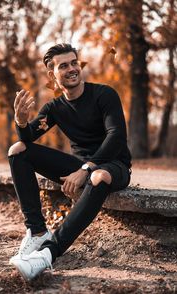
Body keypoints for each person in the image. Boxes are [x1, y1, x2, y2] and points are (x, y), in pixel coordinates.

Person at [8, 43, 132, 281]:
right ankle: (37, 231)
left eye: (74, 63)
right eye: (63, 66)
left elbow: (116, 136)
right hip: (80, 167)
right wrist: (21, 122)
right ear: (52, 74)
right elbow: (27, 138)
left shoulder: (104, 95)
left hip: (114, 166)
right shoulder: (55, 108)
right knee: (17, 150)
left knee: (98, 176)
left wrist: (86, 169)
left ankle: (46, 255)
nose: (72, 69)